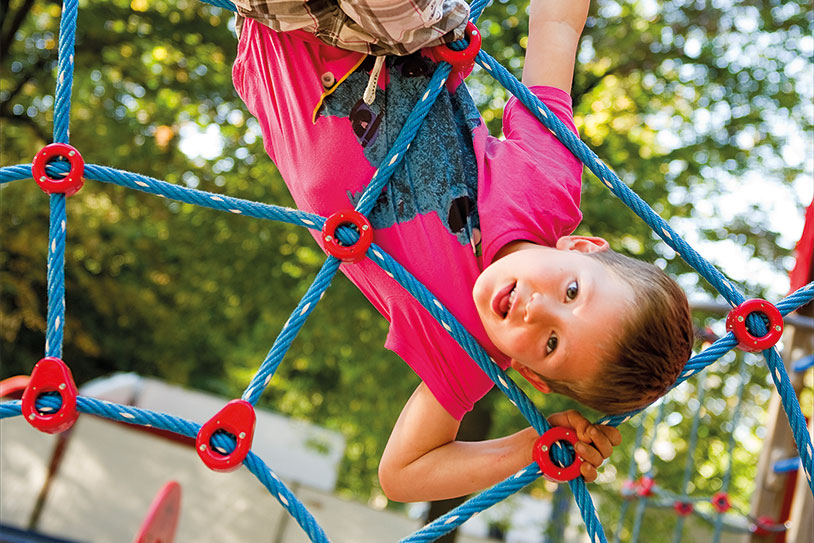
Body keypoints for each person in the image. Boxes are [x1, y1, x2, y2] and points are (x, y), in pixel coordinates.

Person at [231, 0, 694, 501]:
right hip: (398, 28)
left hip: (283, 42)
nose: (535, 310)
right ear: (582, 248)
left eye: (551, 343)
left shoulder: (465, 350)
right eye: (573, 291)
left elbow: (404, 474)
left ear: (533, 376)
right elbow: (555, 31)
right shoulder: (547, 189)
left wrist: (534, 444)